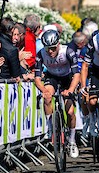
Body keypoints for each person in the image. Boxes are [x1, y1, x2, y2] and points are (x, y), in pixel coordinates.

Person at [34, 30, 81, 159]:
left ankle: (71, 141)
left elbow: (77, 75)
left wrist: (70, 90)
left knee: (70, 112)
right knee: (47, 97)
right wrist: (44, 90)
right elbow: (37, 79)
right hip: (52, 77)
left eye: (53, 48)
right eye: (48, 48)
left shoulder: (68, 52)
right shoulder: (41, 54)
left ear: (58, 44)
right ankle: (50, 129)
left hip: (67, 78)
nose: (50, 51)